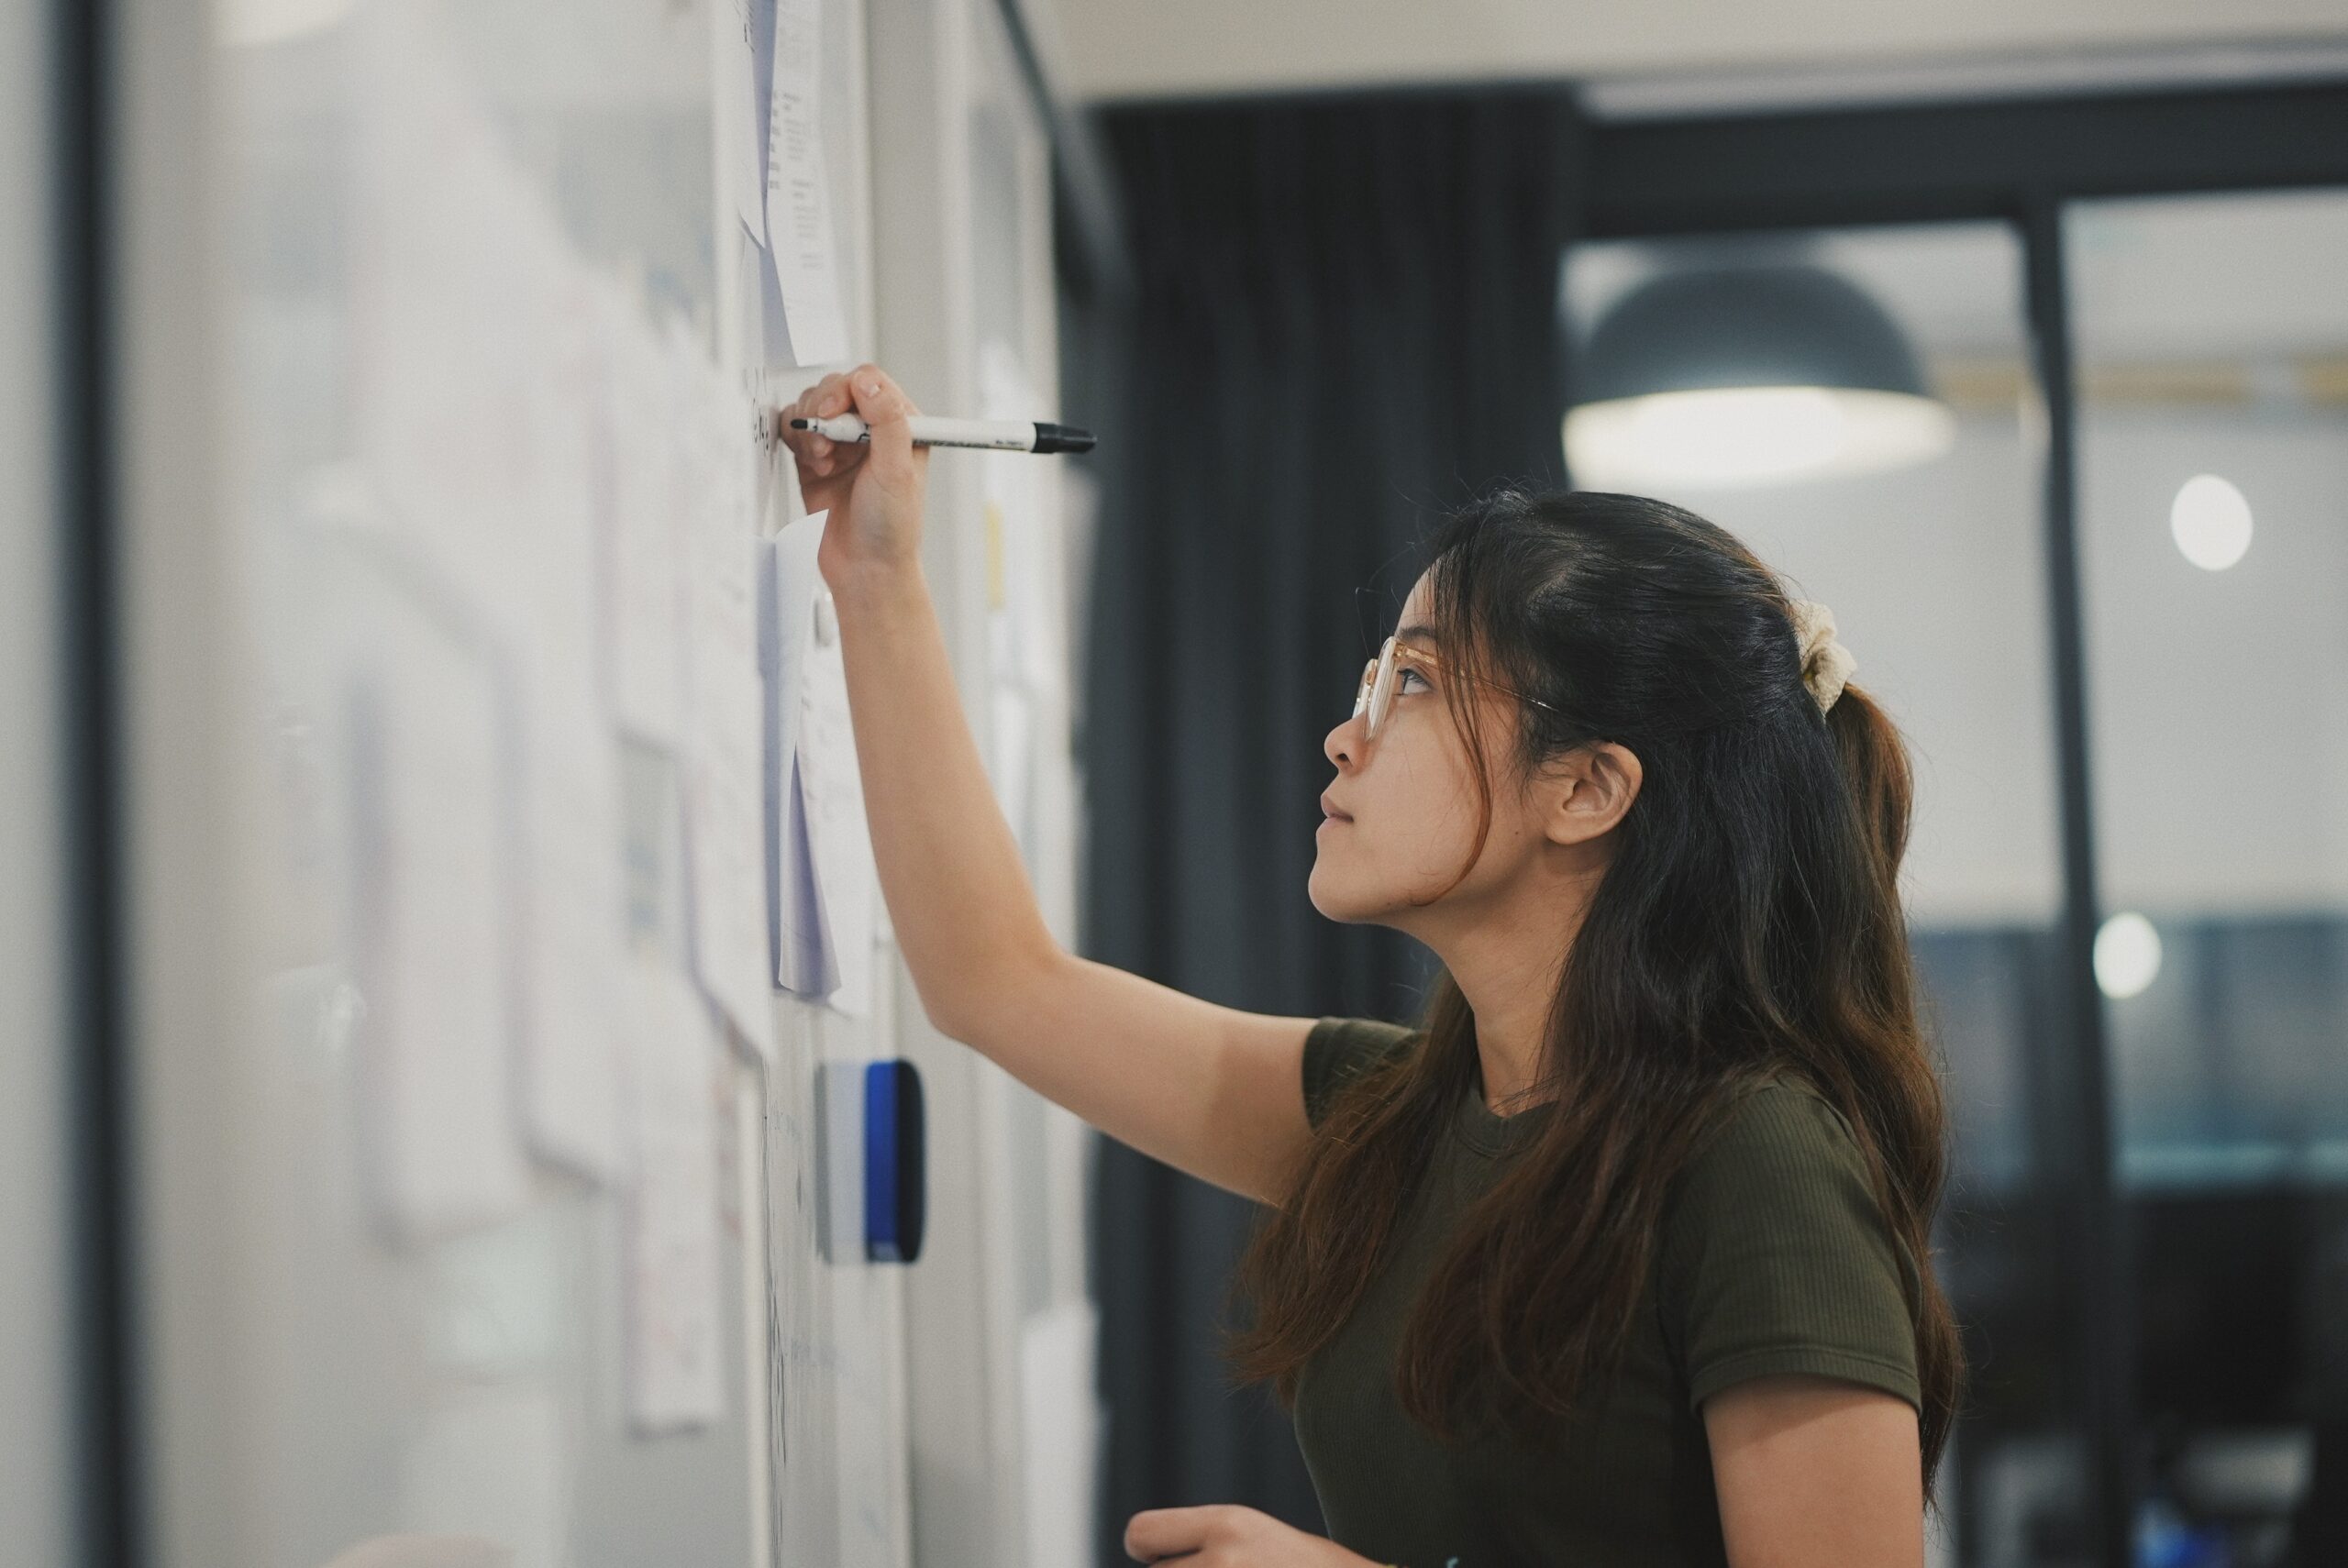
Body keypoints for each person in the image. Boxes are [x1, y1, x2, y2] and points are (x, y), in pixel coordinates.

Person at [781, 365, 1962, 1568]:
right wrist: (874, 579)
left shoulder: (1761, 1157)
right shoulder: (1392, 1117)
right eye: (1372, 680)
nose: (1349, 734)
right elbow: (996, 981)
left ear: (1587, 787)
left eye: (1414, 681)